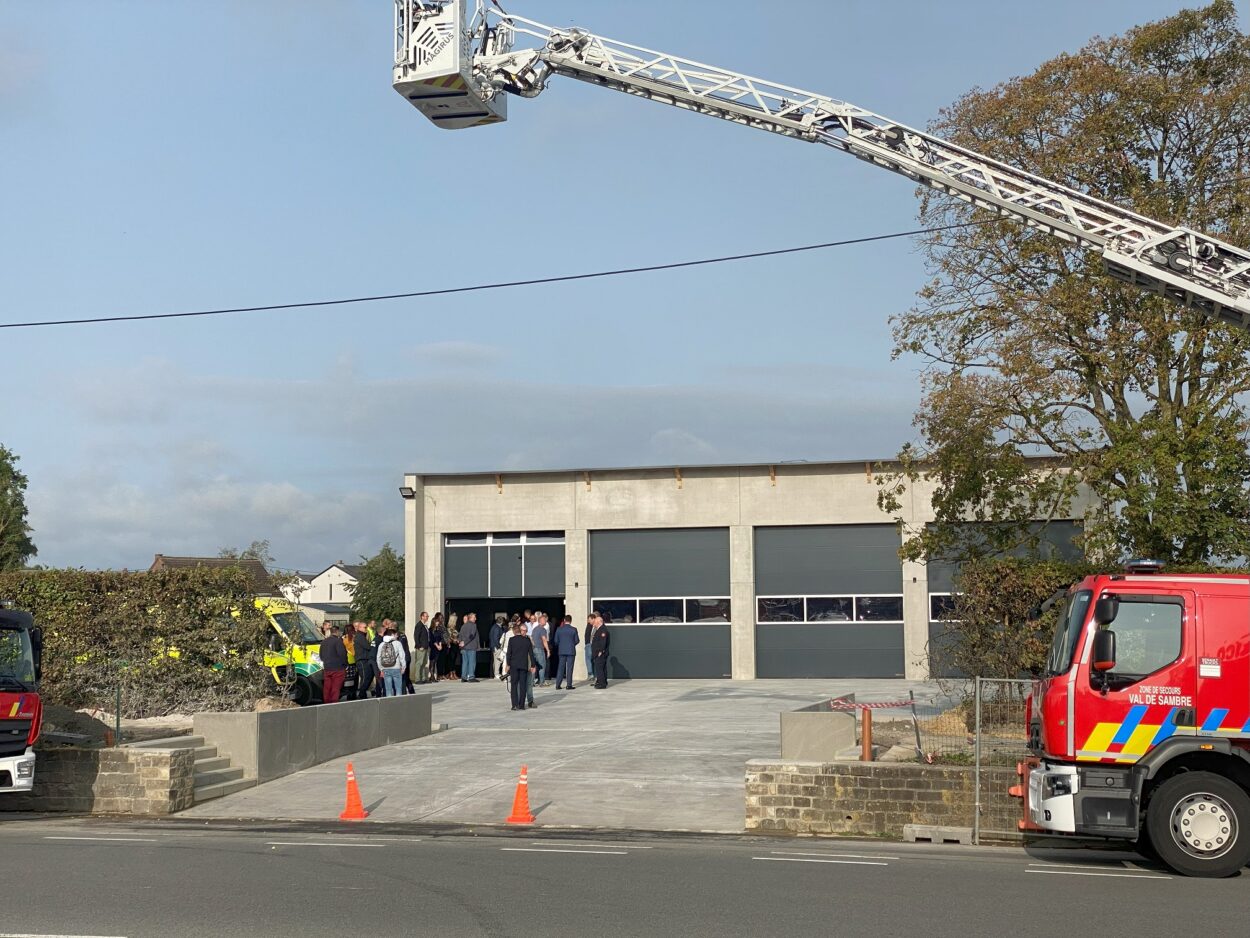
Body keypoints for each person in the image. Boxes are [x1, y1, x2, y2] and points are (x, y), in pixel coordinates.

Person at [503, 622, 537, 711]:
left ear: (514, 632)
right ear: (520, 631)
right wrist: (533, 665)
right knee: (523, 685)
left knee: (514, 685)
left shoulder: (511, 640)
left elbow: (509, 653)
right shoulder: (527, 640)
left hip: (514, 665)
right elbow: (531, 654)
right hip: (523, 665)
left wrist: (508, 664)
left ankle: (514, 705)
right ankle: (522, 705)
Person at [319, 624, 347, 703]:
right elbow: (342, 654)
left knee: (327, 687)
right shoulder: (338, 641)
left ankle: (326, 702)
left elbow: (321, 655)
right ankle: (334, 703)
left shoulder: (324, 642)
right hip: (338, 668)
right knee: (336, 687)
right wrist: (345, 664)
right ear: (337, 632)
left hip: (327, 668)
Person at [376, 628, 407, 697]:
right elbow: (402, 655)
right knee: (398, 688)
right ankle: (398, 701)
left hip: (385, 668)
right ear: (392, 635)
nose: (397, 636)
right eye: (395, 635)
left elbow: (378, 658)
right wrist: (403, 667)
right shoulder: (398, 643)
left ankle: (389, 702)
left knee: (388, 689)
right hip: (396, 668)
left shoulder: (381, 644)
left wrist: (381, 669)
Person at [553, 614, 579, 690]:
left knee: (560, 668)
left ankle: (558, 685)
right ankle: (569, 685)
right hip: (571, 651)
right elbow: (577, 640)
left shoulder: (559, 629)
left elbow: (556, 641)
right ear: (571, 621)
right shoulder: (574, 629)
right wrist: (571, 644)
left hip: (561, 651)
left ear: (564, 620)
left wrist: (561, 645)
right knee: (569, 668)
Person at [351, 622, 374, 699]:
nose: (366, 629)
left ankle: (362, 693)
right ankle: (361, 693)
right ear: (359, 628)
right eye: (365, 627)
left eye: (366, 627)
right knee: (365, 677)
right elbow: (368, 646)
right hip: (361, 660)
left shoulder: (362, 635)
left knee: (369, 676)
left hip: (365, 659)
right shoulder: (359, 636)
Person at [458, 612, 481, 682]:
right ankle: (471, 677)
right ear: (470, 618)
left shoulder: (463, 626)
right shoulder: (473, 625)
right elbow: (472, 635)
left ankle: (463, 677)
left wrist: (461, 643)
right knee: (472, 662)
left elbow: (460, 636)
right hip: (471, 647)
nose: (475, 619)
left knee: (465, 662)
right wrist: (464, 642)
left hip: (464, 648)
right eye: (474, 617)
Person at [591, 614, 611, 689]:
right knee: (602, 668)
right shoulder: (599, 629)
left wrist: (600, 651)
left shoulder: (603, 630)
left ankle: (602, 684)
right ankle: (603, 681)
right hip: (599, 653)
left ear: (599, 622)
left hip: (600, 653)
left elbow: (603, 642)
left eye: (595, 622)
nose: (594, 623)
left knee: (599, 668)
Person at [530, 613, 550, 686]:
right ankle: (542, 682)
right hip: (539, 649)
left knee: (534, 666)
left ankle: (531, 682)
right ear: (541, 621)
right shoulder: (543, 629)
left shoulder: (535, 629)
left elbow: (531, 638)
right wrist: (548, 650)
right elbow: (544, 640)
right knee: (542, 666)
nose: (546, 621)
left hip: (533, 649)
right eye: (544, 620)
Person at [411, 611, 431, 685]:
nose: (427, 617)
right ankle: (417, 679)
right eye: (426, 616)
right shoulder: (419, 625)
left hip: (425, 646)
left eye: (427, 616)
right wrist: (419, 646)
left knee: (424, 663)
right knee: (419, 663)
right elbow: (416, 636)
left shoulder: (424, 625)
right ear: (422, 617)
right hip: (421, 647)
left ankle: (423, 678)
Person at [341, 625, 357, 700]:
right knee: (354, 679)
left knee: (348, 679)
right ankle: (352, 694)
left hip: (345, 660)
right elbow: (354, 651)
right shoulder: (352, 639)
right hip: (352, 660)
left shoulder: (342, 638)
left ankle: (348, 694)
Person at [429, 613, 446, 682]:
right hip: (433, 647)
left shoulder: (438, 630)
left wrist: (440, 645)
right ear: (433, 622)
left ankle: (433, 676)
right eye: (436, 622)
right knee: (432, 661)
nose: (438, 623)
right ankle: (432, 676)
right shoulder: (430, 630)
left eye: (438, 622)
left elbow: (440, 638)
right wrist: (437, 645)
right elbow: (432, 639)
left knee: (435, 661)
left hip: (438, 647)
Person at [489, 615, 505, 680]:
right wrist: (499, 646)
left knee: (495, 661)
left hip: (494, 646)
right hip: (497, 647)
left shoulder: (494, 627)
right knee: (497, 661)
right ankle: (496, 674)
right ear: (502, 621)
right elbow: (496, 639)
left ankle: (495, 673)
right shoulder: (497, 628)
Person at [583, 614, 596, 687]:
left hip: (590, 645)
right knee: (589, 659)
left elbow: (591, 635)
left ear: (593, 618)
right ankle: (591, 674)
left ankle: (591, 674)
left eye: (589, 619)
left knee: (589, 659)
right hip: (588, 644)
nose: (588, 621)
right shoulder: (590, 625)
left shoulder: (594, 626)